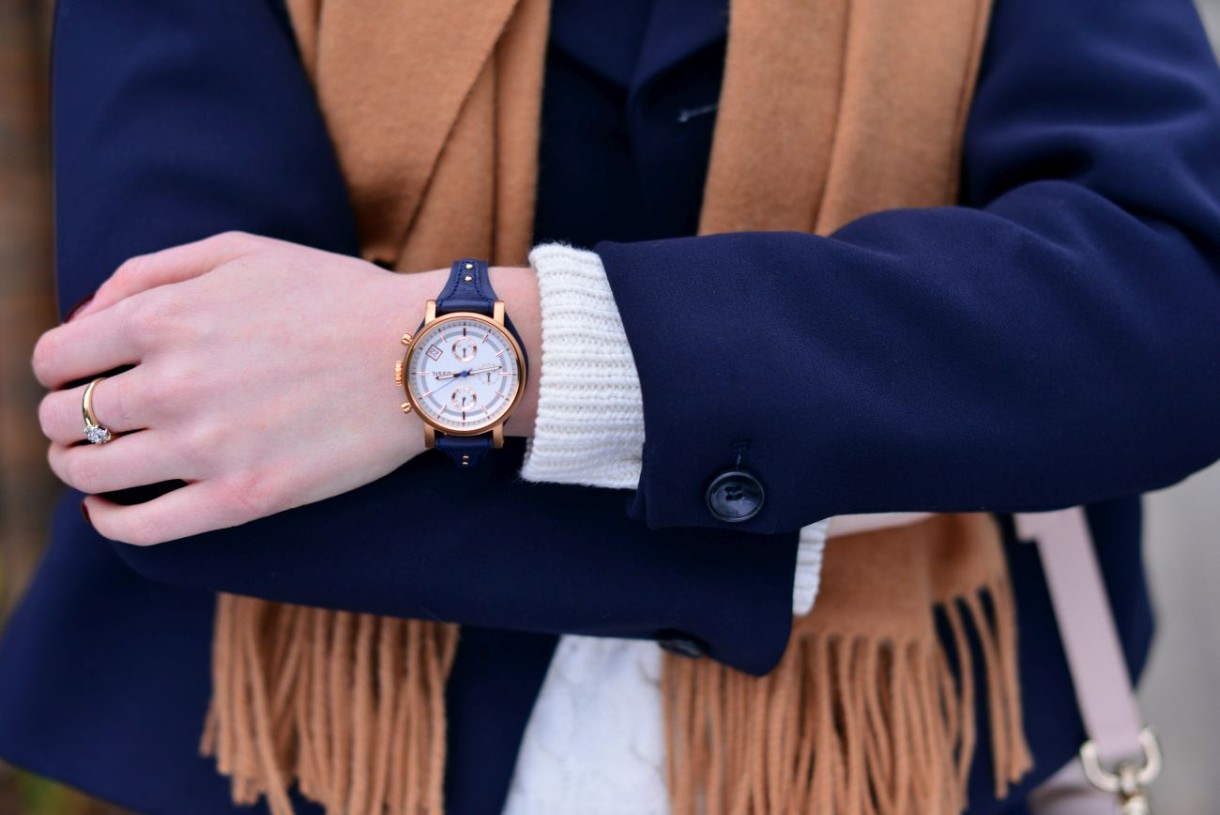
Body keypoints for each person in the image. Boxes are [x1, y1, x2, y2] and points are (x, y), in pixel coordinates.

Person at [2, 0, 1219, 813]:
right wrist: (810, 476)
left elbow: (1167, 308)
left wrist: (469, 350)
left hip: (926, 755)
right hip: (298, 758)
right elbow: (161, 422)